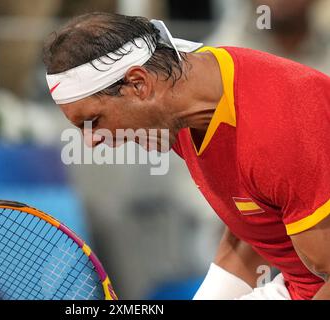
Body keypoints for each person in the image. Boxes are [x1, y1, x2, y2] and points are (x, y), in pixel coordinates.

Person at [42, 12, 330, 300]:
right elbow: (258, 224)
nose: (91, 141)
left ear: (138, 84)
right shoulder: (185, 97)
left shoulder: (278, 130)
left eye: (92, 120)